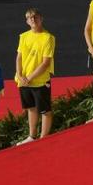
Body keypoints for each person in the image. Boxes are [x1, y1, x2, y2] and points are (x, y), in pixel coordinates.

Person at [15, 8, 55, 144]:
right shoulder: (23, 36)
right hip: (24, 81)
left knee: (45, 111)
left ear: (41, 18)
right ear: (27, 21)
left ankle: (44, 138)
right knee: (31, 109)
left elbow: (45, 63)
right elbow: (19, 57)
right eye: (29, 18)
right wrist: (20, 75)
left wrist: (29, 78)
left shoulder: (48, 38)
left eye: (35, 17)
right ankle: (32, 136)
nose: (33, 19)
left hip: (39, 81)